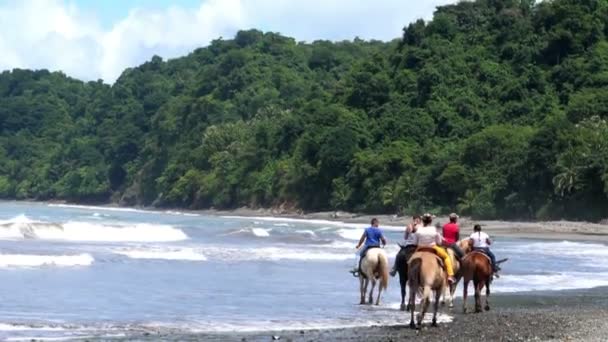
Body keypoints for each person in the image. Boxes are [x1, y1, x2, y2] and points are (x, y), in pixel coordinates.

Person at [413, 213, 456, 284]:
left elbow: (414, 243)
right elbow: (439, 242)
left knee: (410, 260)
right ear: (430, 221)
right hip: (432, 248)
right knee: (446, 257)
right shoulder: (434, 229)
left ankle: (410, 277)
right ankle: (450, 275)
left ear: (423, 221)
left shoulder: (418, 230)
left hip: (420, 248)